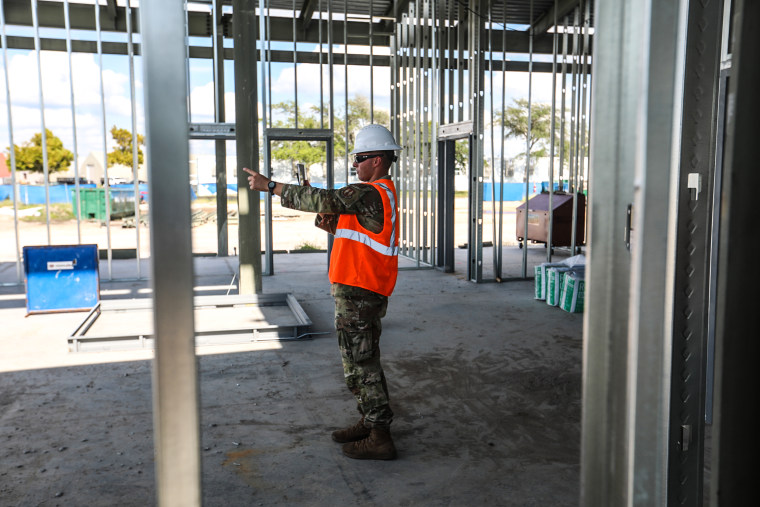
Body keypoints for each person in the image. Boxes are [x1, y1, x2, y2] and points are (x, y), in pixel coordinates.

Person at [243, 124, 402, 461]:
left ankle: (379, 435)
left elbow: (327, 198)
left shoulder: (372, 191)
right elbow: (337, 222)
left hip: (361, 291)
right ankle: (370, 420)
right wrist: (318, 204)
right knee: (357, 362)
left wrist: (270, 186)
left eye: (359, 159)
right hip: (355, 290)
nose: (355, 165)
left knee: (363, 362)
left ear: (376, 160)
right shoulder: (370, 196)